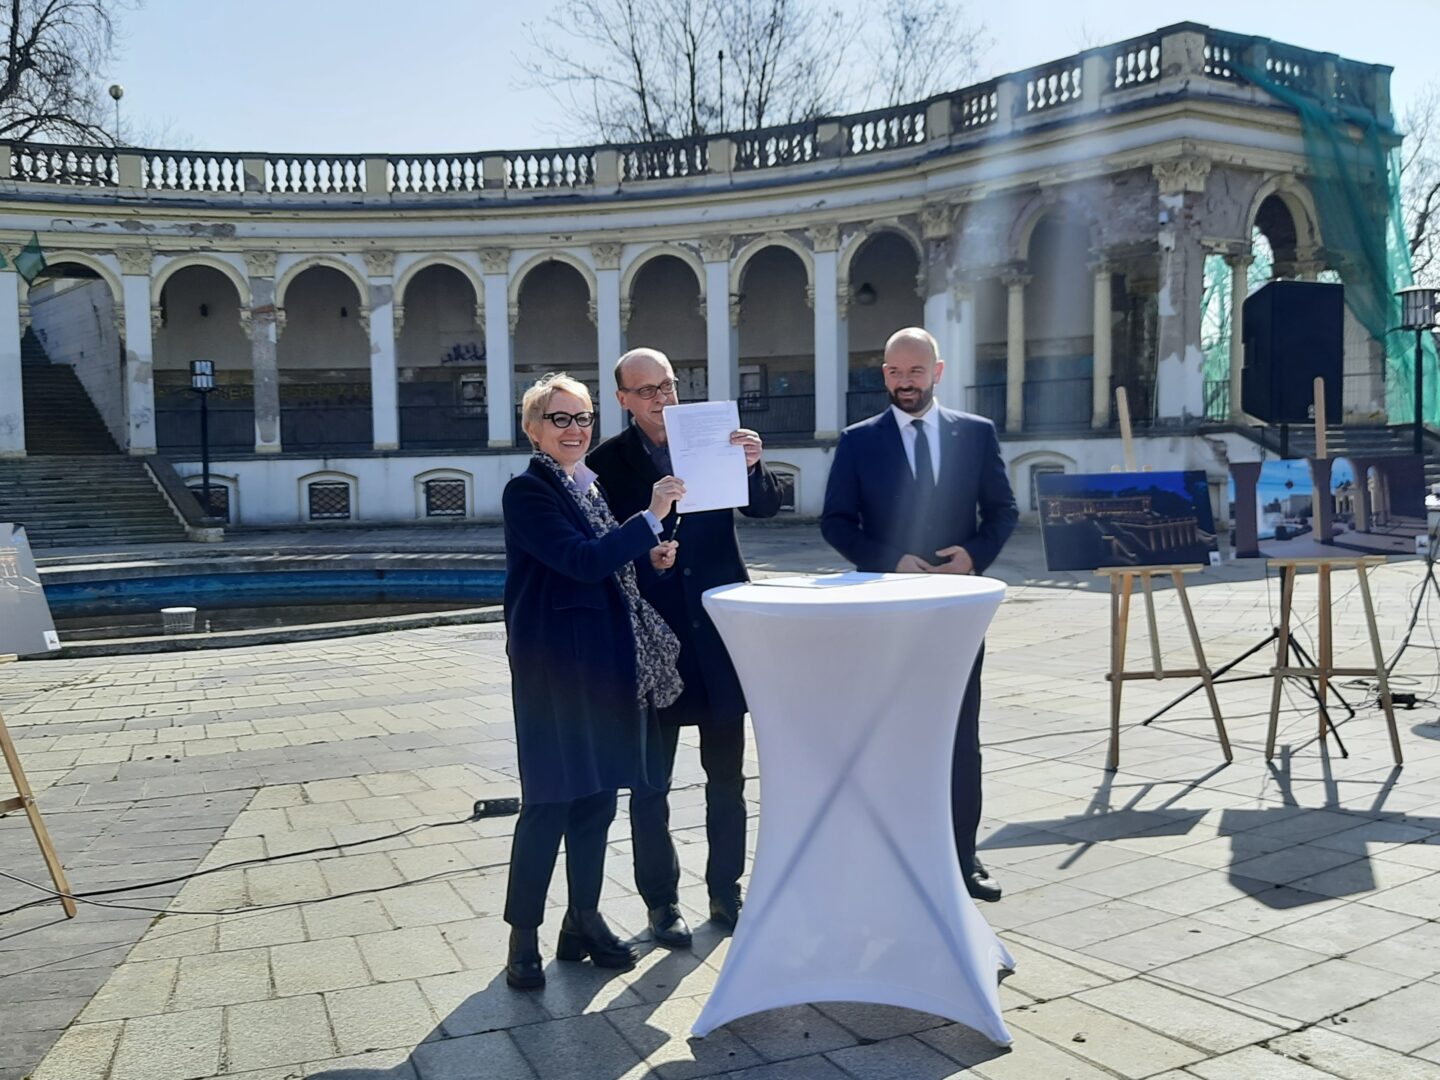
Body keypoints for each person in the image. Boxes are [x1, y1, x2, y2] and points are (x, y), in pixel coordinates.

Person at [588, 347, 781, 946]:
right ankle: (661, 903)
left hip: (721, 633)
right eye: (646, 390)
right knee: (651, 784)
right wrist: (645, 559)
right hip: (655, 639)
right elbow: (603, 554)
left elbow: (767, 507)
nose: (661, 398)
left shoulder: (714, 439)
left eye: (668, 385)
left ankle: (727, 890)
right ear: (622, 399)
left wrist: (753, 465)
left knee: (727, 777)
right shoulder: (604, 463)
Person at [500, 372, 687, 989]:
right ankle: (522, 937)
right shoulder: (527, 492)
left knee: (599, 799)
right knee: (549, 803)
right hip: (554, 672)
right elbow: (580, 562)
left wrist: (647, 554)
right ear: (534, 429)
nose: (575, 429)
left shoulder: (590, 486)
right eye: (560, 419)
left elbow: (606, 565)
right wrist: (650, 519)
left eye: (582, 418)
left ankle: (582, 920)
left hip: (606, 667)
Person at [820, 327, 1017, 902]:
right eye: (894, 372)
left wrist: (973, 556)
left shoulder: (975, 434)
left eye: (915, 371)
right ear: (883, 373)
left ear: (938, 371)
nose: (905, 382)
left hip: (957, 611)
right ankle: (895, 856)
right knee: (888, 736)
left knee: (960, 734)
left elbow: (1003, 511)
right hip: (885, 612)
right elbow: (836, 523)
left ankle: (963, 857)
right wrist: (890, 561)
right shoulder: (858, 441)